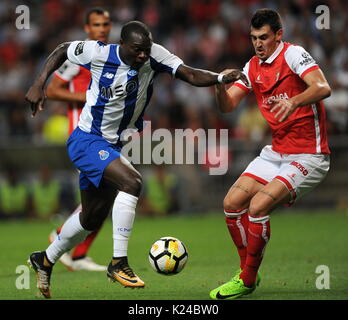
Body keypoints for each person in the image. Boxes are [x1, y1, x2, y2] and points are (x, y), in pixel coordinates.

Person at [25, 20, 247, 298]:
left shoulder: (154, 54)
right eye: (137, 50)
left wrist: (218, 78)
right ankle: (118, 262)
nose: (143, 55)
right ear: (123, 45)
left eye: (146, 49)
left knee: (91, 218)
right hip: (86, 140)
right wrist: (38, 84)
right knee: (132, 182)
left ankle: (44, 259)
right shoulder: (98, 53)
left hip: (113, 144)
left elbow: (188, 73)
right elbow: (61, 50)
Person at [209, 8, 331, 300]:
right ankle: (246, 273)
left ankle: (247, 281)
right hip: (276, 152)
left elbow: (323, 87)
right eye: (253, 38)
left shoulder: (293, 55)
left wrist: (295, 102)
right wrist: (218, 85)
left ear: (278, 35)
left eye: (264, 37)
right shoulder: (252, 67)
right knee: (231, 204)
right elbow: (227, 106)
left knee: (257, 208)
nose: (258, 44)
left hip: (309, 155)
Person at [45, 7, 112, 272]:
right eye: (96, 24)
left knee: (106, 196)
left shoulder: (110, 54)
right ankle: (62, 239)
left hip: (104, 134)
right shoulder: (78, 56)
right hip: (83, 135)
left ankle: (77, 253)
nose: (102, 28)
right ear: (87, 28)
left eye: (105, 23)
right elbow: (53, 90)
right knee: (106, 195)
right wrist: (88, 98)